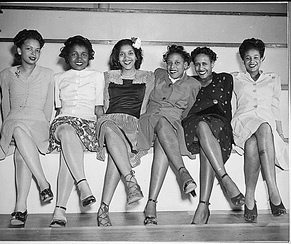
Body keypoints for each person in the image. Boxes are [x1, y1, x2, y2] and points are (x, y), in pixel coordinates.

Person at [137, 44, 201, 226]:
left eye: (178, 63)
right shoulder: (157, 75)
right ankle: (183, 172)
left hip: (172, 126)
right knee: (161, 123)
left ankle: (151, 204)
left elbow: (189, 112)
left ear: (186, 65)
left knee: (162, 143)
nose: (172, 66)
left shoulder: (193, 85)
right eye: (169, 62)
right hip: (149, 121)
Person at [0, 29, 54, 227]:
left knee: (21, 153)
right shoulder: (6, 74)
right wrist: (7, 129)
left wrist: (45, 125)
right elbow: (5, 106)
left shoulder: (47, 74)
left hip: (38, 122)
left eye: (37, 50)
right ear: (19, 50)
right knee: (17, 127)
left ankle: (21, 207)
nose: (33, 53)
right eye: (29, 48)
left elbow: (48, 106)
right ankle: (43, 183)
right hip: (14, 121)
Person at [182, 46, 245, 225]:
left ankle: (203, 206)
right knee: (202, 126)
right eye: (197, 65)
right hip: (193, 125)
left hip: (219, 125)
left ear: (213, 64)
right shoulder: (190, 82)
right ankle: (225, 179)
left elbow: (224, 107)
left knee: (206, 142)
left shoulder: (224, 78)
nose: (201, 68)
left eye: (205, 64)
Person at [96, 37, 155, 227]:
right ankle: (131, 182)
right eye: (122, 54)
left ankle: (103, 209)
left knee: (116, 155)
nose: (126, 57)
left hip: (132, 126)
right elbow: (104, 106)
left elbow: (146, 108)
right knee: (109, 127)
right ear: (117, 57)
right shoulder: (108, 76)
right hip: (109, 122)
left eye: (130, 53)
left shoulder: (148, 76)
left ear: (137, 55)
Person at [47, 35, 104, 228]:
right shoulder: (58, 78)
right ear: (67, 56)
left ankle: (60, 210)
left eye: (84, 54)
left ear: (89, 56)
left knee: (67, 153)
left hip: (87, 125)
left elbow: (98, 107)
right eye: (74, 54)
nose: (79, 58)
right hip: (62, 123)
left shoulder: (97, 76)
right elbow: (56, 109)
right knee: (65, 129)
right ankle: (83, 184)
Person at [231, 38, 287, 222]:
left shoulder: (272, 78)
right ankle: (274, 191)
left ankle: (249, 198)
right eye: (247, 58)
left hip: (266, 126)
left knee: (255, 141)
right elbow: (231, 106)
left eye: (256, 57)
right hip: (243, 121)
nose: (252, 61)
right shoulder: (235, 78)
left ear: (262, 58)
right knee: (261, 127)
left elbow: (276, 108)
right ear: (242, 60)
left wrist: (279, 133)